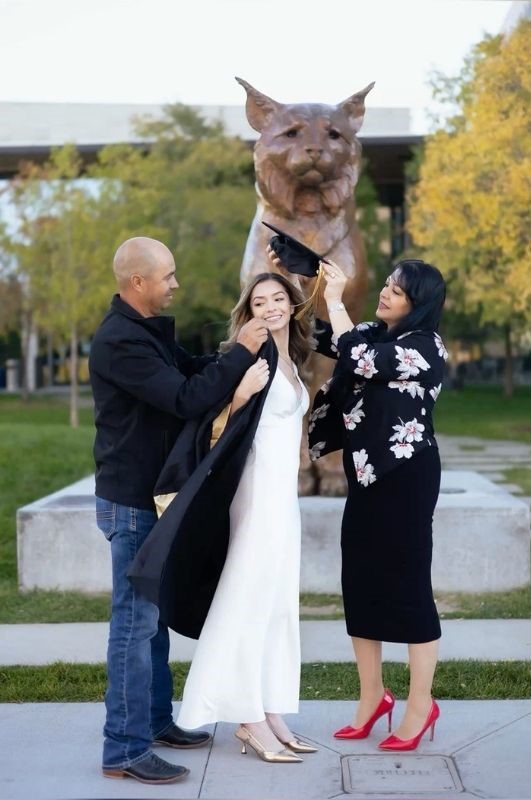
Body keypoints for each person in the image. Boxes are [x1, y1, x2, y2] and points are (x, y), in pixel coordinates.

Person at [88, 236, 268, 784]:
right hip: (132, 502)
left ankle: (156, 721)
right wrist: (239, 353)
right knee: (134, 624)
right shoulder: (121, 342)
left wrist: (233, 353)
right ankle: (123, 748)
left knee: (155, 615)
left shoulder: (146, 333)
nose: (176, 283)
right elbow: (188, 398)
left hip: (153, 498)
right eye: (167, 275)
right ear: (137, 282)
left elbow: (194, 373)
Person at [174, 272, 317, 763]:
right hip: (254, 497)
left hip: (284, 500)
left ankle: (273, 709)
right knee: (246, 600)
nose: (272, 307)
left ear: (292, 305)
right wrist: (238, 395)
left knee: (279, 604)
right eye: (260, 301)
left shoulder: (293, 360)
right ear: (249, 310)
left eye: (279, 298)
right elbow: (214, 423)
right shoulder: (249, 357)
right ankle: (246, 719)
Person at [307, 257, 448, 752]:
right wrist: (297, 277)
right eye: (387, 284)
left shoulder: (425, 348)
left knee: (408, 585)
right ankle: (372, 698)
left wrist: (336, 298)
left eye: (398, 290)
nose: (386, 292)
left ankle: (420, 703)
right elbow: (324, 337)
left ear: (419, 304)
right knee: (361, 583)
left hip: (407, 479)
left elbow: (356, 356)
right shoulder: (375, 332)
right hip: (366, 478)